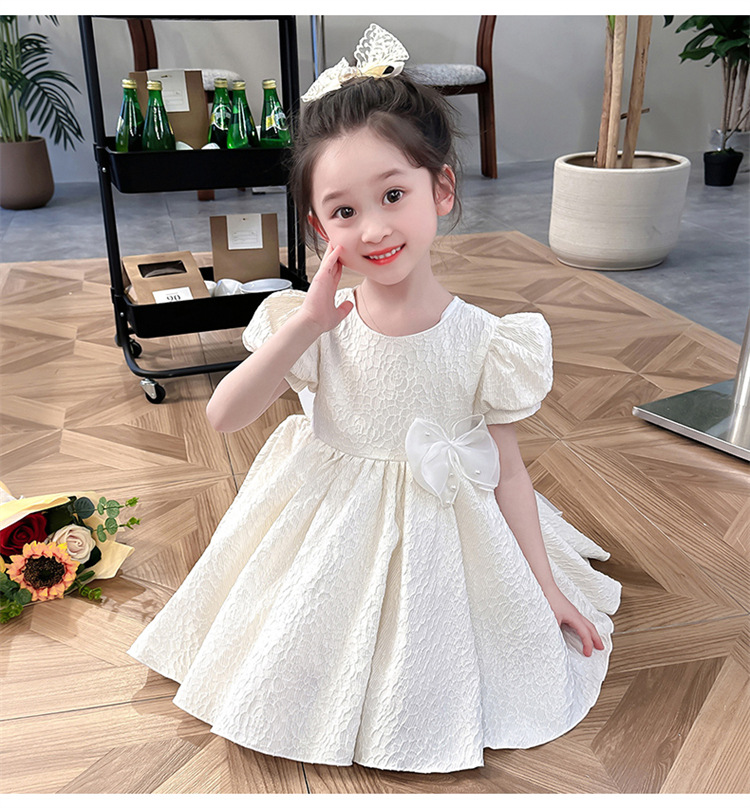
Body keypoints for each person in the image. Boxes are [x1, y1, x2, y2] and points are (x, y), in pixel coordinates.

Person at [127, 24, 621, 774]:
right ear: (317, 226)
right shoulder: (313, 323)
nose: (376, 228)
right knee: (301, 643)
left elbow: (510, 474)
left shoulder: (487, 341)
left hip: (442, 529)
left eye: (394, 194)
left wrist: (544, 589)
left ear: (441, 189)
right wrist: (307, 326)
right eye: (345, 212)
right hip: (327, 519)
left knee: (436, 657)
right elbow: (223, 416)